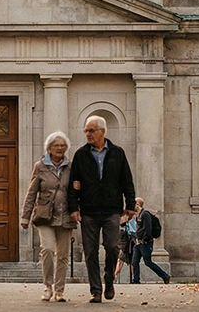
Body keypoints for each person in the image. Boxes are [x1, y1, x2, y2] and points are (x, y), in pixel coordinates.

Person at [67, 115, 136, 304]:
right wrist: (73, 208)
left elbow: (127, 181)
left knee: (112, 246)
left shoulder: (117, 153)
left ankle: (109, 279)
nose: (88, 134)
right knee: (90, 252)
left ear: (102, 131)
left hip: (112, 210)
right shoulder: (81, 155)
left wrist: (130, 205)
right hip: (88, 210)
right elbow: (73, 184)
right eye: (86, 131)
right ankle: (96, 290)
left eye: (91, 130)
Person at [20, 131, 77, 303]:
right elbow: (31, 192)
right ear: (49, 148)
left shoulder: (71, 167)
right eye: (56, 145)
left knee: (63, 255)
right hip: (45, 216)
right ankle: (48, 286)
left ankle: (59, 290)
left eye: (62, 146)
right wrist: (25, 216)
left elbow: (77, 192)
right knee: (48, 249)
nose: (60, 148)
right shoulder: (40, 166)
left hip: (65, 215)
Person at [130, 197, 171, 284]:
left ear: (137, 204)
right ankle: (136, 280)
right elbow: (140, 229)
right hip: (138, 243)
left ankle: (165, 276)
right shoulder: (138, 215)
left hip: (145, 243)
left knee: (148, 262)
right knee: (134, 261)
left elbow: (148, 229)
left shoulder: (145, 214)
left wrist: (144, 239)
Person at [114, 214, 133, 282]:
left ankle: (115, 277)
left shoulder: (126, 228)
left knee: (122, 262)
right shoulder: (123, 229)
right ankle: (115, 277)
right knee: (122, 262)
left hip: (126, 248)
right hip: (125, 248)